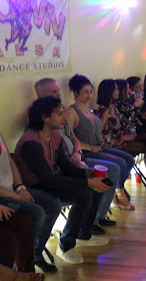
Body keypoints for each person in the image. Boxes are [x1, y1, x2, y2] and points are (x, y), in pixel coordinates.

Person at [14, 96, 110, 267]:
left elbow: (65, 166)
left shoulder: (55, 135)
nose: (64, 118)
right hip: (31, 188)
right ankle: (41, 252)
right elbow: (49, 180)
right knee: (62, 201)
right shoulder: (31, 143)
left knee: (91, 191)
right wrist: (86, 182)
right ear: (45, 117)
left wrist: (86, 174)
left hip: (47, 182)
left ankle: (76, 238)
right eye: (59, 114)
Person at [35, 78, 119, 234]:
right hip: (68, 165)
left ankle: (89, 226)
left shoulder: (60, 116)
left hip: (76, 156)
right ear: (41, 95)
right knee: (101, 178)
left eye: (58, 90)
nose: (58, 94)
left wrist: (77, 151)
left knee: (104, 175)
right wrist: (84, 171)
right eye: (54, 92)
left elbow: (72, 137)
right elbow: (53, 170)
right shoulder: (40, 126)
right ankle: (83, 229)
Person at [65, 75, 135, 211]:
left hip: (97, 147)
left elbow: (97, 131)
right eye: (85, 92)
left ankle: (115, 194)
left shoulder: (88, 110)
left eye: (91, 91)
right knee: (117, 165)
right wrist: (89, 147)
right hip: (85, 151)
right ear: (76, 93)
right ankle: (110, 202)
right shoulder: (72, 112)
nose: (89, 95)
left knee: (129, 159)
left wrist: (103, 119)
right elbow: (70, 137)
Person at [0, 92, 45, 240]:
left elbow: (9, 161)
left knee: (51, 203)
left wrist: (20, 187)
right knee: (36, 213)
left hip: (11, 189)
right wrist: (15, 196)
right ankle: (25, 257)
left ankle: (36, 253)